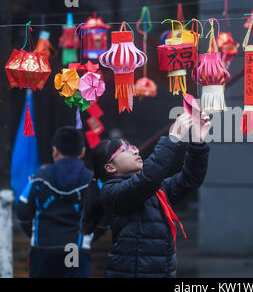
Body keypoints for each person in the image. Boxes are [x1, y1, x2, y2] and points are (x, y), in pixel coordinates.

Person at [81, 112, 211, 278]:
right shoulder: (111, 192)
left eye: (132, 146)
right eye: (125, 149)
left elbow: (190, 179)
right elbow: (148, 179)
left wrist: (198, 143)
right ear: (110, 168)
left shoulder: (155, 189)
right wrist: (172, 139)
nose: (135, 151)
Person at [16, 126, 96, 278]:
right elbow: (103, 216)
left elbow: (22, 211)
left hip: (43, 250)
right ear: (83, 152)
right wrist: (90, 236)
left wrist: (34, 233)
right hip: (75, 249)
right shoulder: (93, 181)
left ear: (55, 151)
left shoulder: (38, 179)